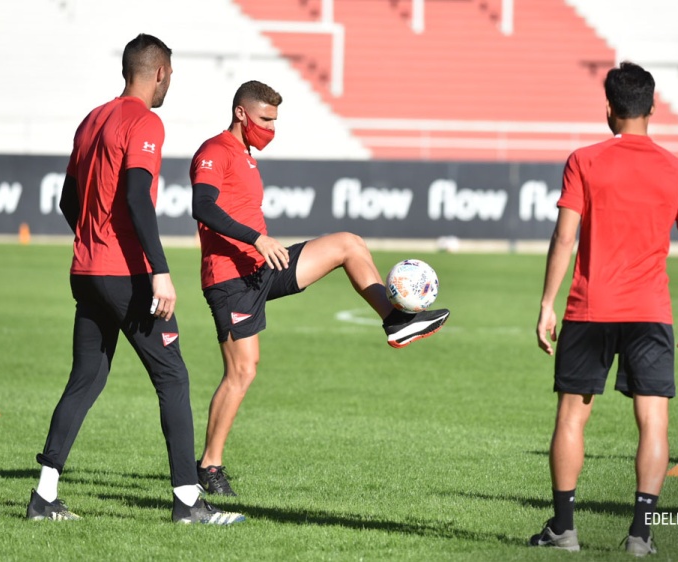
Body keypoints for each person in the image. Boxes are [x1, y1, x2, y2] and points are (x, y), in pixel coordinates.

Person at [189, 80, 451, 496]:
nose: (271, 128)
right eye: (265, 119)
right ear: (241, 113)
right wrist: (256, 239)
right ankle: (209, 466)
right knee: (242, 372)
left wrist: (260, 247)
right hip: (230, 278)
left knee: (349, 244)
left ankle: (396, 320)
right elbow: (202, 206)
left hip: (262, 267)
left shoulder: (246, 155)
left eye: (275, 120)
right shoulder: (214, 151)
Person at [26, 34, 244, 525]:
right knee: (173, 376)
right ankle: (188, 503)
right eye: (171, 76)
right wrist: (160, 272)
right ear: (160, 72)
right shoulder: (145, 121)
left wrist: (92, 239)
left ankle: (44, 496)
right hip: (123, 274)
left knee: (86, 378)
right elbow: (138, 197)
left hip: (85, 271)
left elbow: (68, 200)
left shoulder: (92, 119)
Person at [530, 62, 678, 557]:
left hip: (590, 309)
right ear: (652, 109)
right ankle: (640, 536)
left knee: (572, 417)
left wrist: (547, 303)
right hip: (651, 311)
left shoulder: (584, 161)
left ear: (608, 109)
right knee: (653, 422)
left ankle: (564, 530)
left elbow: (565, 236)